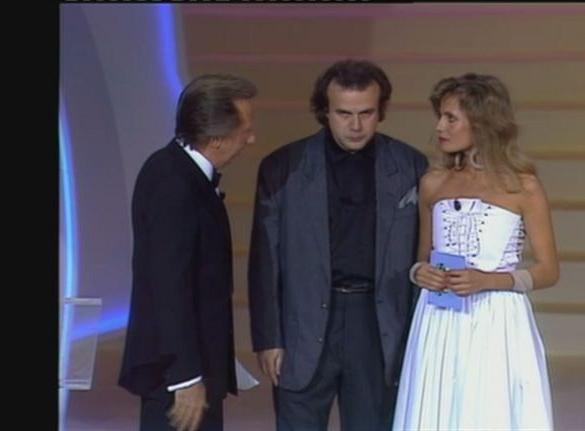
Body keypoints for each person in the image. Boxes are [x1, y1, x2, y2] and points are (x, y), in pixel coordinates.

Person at [247, 59, 429, 431]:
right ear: (324, 111)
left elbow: (423, 252)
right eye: (344, 113)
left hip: (377, 324)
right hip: (304, 321)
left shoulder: (411, 165)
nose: (356, 125)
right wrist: (268, 338)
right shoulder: (283, 166)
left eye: (366, 113)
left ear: (381, 111)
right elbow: (265, 260)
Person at [392, 73, 560, 430]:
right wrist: (419, 273)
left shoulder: (523, 186)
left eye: (450, 118)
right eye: (440, 116)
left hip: (497, 320)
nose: (439, 127)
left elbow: (548, 271)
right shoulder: (433, 183)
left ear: (482, 123)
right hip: (439, 318)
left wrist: (488, 280)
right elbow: (422, 258)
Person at [118, 73, 257, 431]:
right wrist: (185, 378)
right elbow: (169, 286)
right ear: (216, 138)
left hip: (195, 369)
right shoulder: (173, 184)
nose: (251, 138)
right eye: (245, 130)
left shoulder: (176, 170)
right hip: (178, 380)